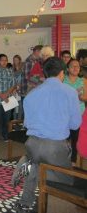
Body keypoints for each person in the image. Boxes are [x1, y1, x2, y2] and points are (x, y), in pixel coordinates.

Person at [14, 57, 82, 212]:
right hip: (55, 147)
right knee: (67, 180)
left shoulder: (31, 94)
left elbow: (27, 124)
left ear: (44, 73)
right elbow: (75, 125)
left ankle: (25, 200)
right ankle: (36, 174)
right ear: (61, 73)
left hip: (32, 144)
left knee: (35, 163)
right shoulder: (70, 92)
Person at [63, 58, 87, 163]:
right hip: (64, 113)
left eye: (77, 66)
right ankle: (61, 159)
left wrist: (80, 97)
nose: (75, 68)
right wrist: (74, 95)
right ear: (68, 68)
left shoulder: (83, 81)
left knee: (76, 139)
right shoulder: (63, 80)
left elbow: (86, 97)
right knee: (63, 138)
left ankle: (73, 161)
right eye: (73, 66)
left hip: (79, 114)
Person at [0, 54, 15, 143]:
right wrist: (2, 96)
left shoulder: (10, 71)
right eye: (2, 60)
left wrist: (6, 95)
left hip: (8, 100)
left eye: (6, 60)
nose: (4, 62)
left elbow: (13, 84)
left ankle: (5, 135)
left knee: (6, 120)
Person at [12, 54, 24, 120]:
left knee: (20, 107)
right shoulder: (11, 69)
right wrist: (13, 88)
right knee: (14, 107)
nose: (15, 61)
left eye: (16, 60)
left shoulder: (23, 69)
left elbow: (24, 79)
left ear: (19, 60)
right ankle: (14, 121)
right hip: (13, 90)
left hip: (21, 90)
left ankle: (19, 121)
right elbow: (11, 80)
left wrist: (19, 86)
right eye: (14, 60)